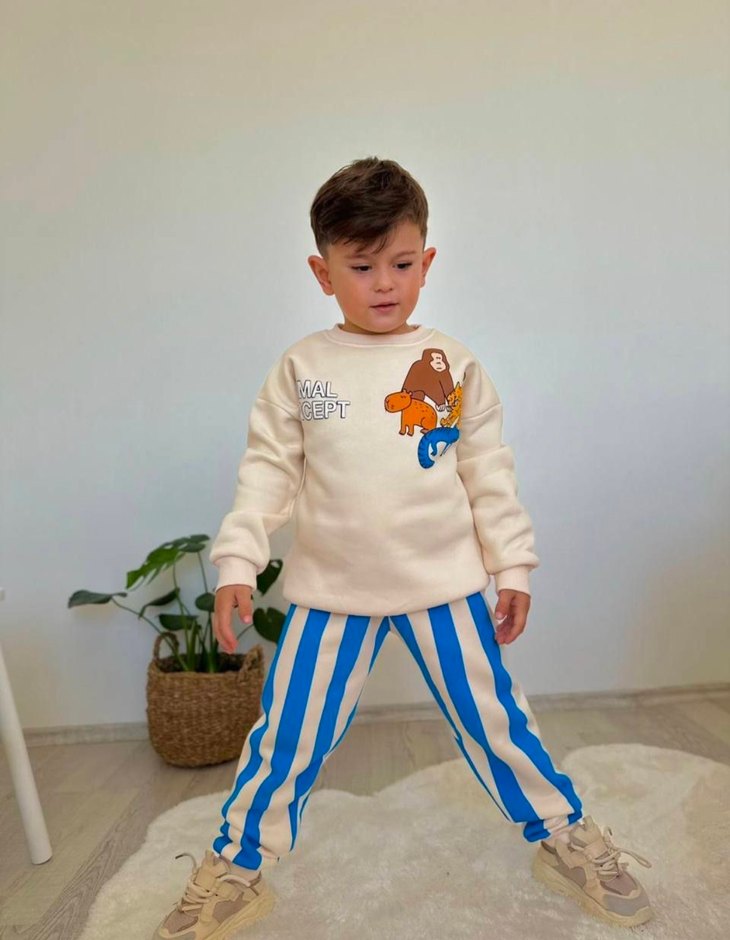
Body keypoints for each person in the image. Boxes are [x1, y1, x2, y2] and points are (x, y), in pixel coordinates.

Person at [152, 157, 654, 939]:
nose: (384, 283)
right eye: (361, 267)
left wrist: (512, 565)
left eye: (402, 263)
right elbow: (269, 473)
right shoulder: (303, 368)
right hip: (330, 594)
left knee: (496, 722)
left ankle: (566, 837)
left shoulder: (454, 365)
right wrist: (238, 562)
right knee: (286, 737)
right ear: (322, 272)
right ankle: (238, 864)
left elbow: (488, 473)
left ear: (428, 260)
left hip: (444, 586)